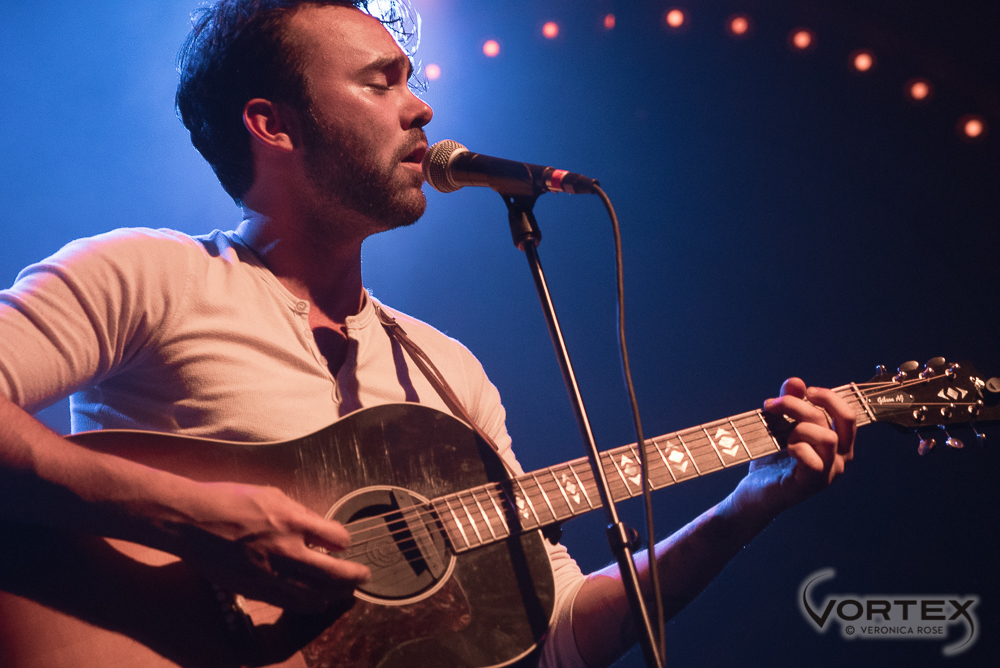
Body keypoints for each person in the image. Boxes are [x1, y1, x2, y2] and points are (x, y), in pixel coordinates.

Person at [0, 1, 855, 666]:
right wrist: (191, 520)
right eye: (382, 83)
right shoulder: (148, 274)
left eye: (409, 80)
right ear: (272, 123)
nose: (422, 107)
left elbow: (559, 634)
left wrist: (747, 506)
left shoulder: (445, 372)